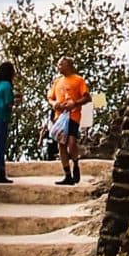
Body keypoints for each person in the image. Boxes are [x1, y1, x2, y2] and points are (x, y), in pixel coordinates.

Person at [47, 57, 92, 186]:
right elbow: (50, 98)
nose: (59, 66)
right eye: (58, 64)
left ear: (69, 65)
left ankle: (75, 163)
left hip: (73, 115)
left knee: (71, 142)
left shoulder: (78, 80)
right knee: (61, 144)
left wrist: (75, 103)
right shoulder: (57, 82)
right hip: (59, 117)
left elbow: (87, 98)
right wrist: (54, 103)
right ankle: (67, 174)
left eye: (61, 64)